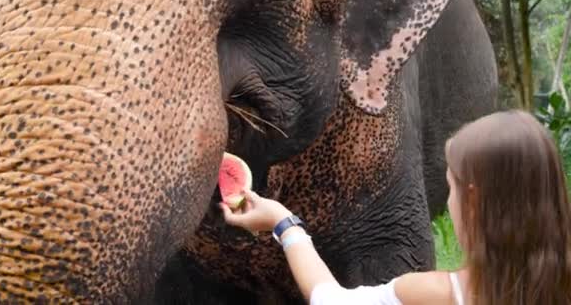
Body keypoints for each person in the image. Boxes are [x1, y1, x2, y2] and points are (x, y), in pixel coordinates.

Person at [220, 110, 571, 305]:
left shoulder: (437, 294)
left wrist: (283, 223)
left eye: (452, 188)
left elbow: (330, 301)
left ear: (474, 201)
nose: (450, 202)